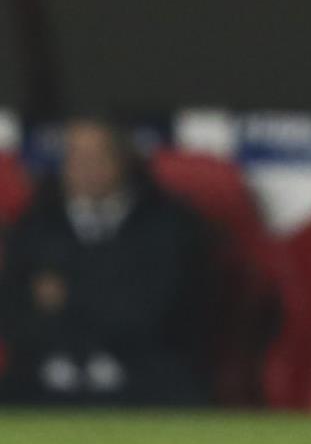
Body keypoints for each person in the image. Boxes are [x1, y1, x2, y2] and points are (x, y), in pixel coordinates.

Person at [0, 119, 216, 406]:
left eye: (96, 157)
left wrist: (70, 295)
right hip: (46, 377)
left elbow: (161, 312)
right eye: (75, 157)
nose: (84, 168)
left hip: (146, 378)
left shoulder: (167, 223)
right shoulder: (37, 223)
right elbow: (14, 311)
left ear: (122, 160)